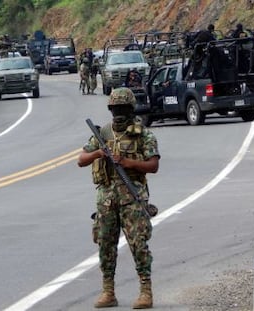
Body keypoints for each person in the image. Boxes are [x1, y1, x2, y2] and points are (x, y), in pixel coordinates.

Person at [78, 87, 160, 309]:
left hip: (132, 198)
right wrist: (99, 154)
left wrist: (128, 163)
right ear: (111, 110)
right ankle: (108, 291)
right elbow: (81, 159)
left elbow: (153, 165)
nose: (120, 113)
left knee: (138, 244)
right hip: (106, 199)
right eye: (116, 109)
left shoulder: (143, 134)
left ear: (131, 109)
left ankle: (145, 291)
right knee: (105, 244)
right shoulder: (103, 134)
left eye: (124, 108)